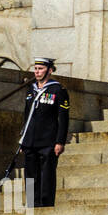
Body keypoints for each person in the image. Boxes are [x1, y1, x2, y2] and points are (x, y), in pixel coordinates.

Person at [20, 56, 69, 207]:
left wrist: (60, 141)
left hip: (48, 140)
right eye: (35, 69)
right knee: (30, 175)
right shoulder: (31, 89)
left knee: (47, 175)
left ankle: (46, 204)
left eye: (40, 69)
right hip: (30, 140)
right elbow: (26, 115)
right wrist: (23, 138)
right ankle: (32, 204)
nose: (37, 72)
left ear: (50, 70)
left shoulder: (58, 90)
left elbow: (64, 118)